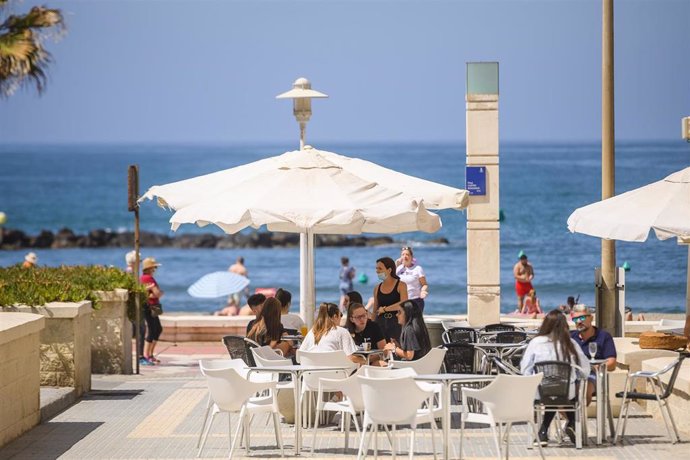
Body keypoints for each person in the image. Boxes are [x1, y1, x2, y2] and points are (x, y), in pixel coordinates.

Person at [521, 310, 590, 446]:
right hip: (566, 393)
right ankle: (570, 424)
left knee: (550, 390)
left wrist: (532, 382)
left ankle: (543, 432)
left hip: (540, 392)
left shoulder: (535, 343)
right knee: (559, 390)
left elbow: (525, 369)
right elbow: (585, 370)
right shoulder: (570, 343)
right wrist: (576, 377)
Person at [570, 304, 617, 405]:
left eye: (582, 317)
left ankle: (575, 418)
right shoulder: (570, 336)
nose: (579, 322)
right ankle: (571, 419)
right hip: (572, 373)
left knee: (583, 388)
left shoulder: (603, 336)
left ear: (591, 318)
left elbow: (612, 363)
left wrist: (594, 367)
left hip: (593, 374)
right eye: (575, 319)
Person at [299, 302, 363, 364]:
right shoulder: (342, 331)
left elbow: (300, 355)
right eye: (341, 315)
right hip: (336, 373)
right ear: (335, 316)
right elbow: (351, 358)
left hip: (311, 373)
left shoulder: (312, 332)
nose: (341, 317)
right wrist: (366, 362)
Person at [372, 257, 408, 343]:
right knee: (381, 352)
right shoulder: (377, 288)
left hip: (396, 324)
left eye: (380, 268)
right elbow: (375, 311)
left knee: (396, 350)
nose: (377, 271)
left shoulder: (401, 285)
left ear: (389, 270)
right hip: (380, 324)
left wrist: (385, 309)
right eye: (376, 268)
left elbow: (404, 303)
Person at [140, 257, 164, 365]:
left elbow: (157, 293)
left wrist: (155, 293)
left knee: (158, 329)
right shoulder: (147, 278)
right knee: (153, 329)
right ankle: (147, 354)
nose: (155, 269)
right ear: (150, 268)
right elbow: (158, 293)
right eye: (154, 267)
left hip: (155, 305)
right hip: (150, 305)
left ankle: (150, 354)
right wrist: (155, 293)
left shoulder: (148, 278)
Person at [125, 250, 145, 360]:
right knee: (140, 330)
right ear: (134, 261)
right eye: (139, 260)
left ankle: (140, 356)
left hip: (135, 305)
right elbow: (132, 289)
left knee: (140, 330)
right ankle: (140, 356)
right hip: (134, 306)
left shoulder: (132, 272)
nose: (140, 263)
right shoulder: (131, 272)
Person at [395, 247, 428, 312]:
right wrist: (396, 265)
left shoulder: (418, 269)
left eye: (407, 254)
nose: (405, 256)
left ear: (412, 257)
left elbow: (424, 284)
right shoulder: (398, 269)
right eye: (403, 254)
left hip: (415, 301)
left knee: (414, 322)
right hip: (401, 301)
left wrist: (423, 291)